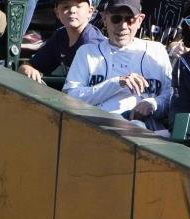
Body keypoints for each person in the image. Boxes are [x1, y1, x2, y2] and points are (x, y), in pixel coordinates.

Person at [63, 0, 172, 130]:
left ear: (140, 20)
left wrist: (153, 103)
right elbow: (70, 98)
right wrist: (117, 83)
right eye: (116, 19)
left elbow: (170, 95)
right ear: (104, 18)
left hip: (147, 129)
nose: (123, 26)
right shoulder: (87, 52)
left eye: (130, 19)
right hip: (98, 127)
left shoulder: (156, 51)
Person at [17, 0, 105, 84]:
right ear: (57, 12)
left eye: (78, 6)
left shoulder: (92, 44)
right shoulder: (61, 36)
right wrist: (27, 69)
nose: (72, 11)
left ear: (90, 12)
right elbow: (31, 65)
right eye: (66, 7)